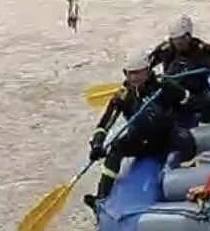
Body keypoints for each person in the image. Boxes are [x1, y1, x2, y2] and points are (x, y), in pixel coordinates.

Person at [84, 53, 197, 209]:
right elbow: (106, 121)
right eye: (129, 73)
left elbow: (190, 102)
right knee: (115, 150)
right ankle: (101, 197)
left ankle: (188, 185)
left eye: (137, 73)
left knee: (187, 140)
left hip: (165, 136)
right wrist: (97, 144)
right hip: (138, 140)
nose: (133, 78)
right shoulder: (124, 95)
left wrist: (178, 93)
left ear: (148, 71)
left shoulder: (163, 87)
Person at [146, 15, 210, 122]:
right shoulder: (165, 49)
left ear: (188, 37)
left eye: (180, 40)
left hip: (196, 93)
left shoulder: (203, 50)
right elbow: (147, 64)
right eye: (174, 40)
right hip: (171, 90)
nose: (177, 44)